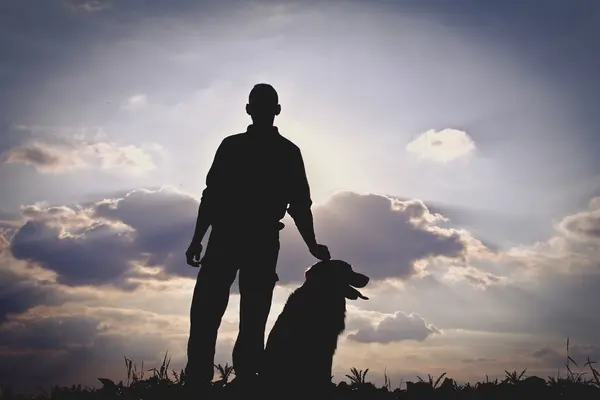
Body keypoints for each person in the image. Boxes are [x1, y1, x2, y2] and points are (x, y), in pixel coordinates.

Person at [184, 83, 331, 396]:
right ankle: (239, 379)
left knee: (224, 312)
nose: (262, 111)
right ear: (273, 111)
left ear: (250, 110)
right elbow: (300, 205)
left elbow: (212, 196)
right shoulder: (285, 151)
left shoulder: (239, 146)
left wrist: (198, 238)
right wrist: (311, 244)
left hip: (235, 237)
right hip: (253, 239)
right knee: (246, 312)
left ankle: (212, 381)